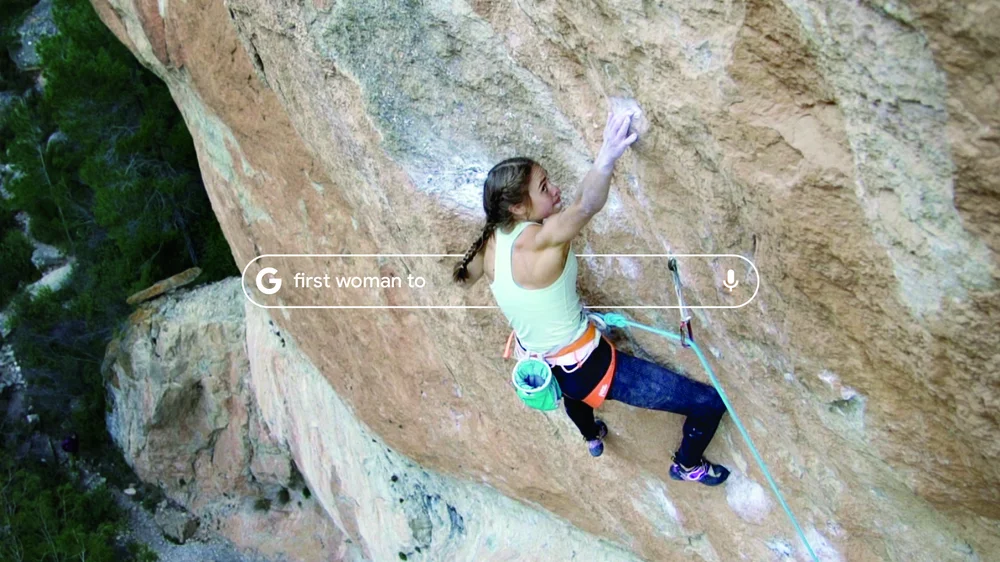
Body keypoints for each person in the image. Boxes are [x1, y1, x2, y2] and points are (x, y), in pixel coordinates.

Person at [452, 108, 730, 485]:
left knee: (575, 398)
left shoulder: (491, 244)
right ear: (518, 207)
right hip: (588, 367)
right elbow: (586, 206)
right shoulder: (540, 242)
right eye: (545, 187)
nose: (556, 191)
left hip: (540, 362)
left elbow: (463, 279)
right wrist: (607, 156)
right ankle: (687, 464)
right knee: (708, 403)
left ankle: (590, 435)